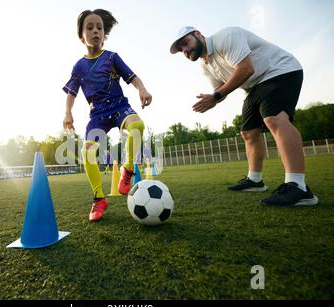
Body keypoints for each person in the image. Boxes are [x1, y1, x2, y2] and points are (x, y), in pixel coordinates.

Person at [170, 26, 318, 206]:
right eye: (181, 50)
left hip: (280, 70)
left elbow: (246, 68)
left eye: (186, 43)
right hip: (254, 86)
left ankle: (299, 187)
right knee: (248, 132)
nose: (185, 50)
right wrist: (212, 99)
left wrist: (215, 97)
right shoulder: (205, 66)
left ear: (198, 34)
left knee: (274, 119)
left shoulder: (226, 36)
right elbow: (221, 88)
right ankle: (255, 180)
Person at [63, 9, 152, 222]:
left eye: (99, 28)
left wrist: (142, 89)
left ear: (104, 34)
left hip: (119, 107)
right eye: (90, 27)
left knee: (137, 126)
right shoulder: (79, 66)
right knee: (87, 153)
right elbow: (71, 93)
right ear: (81, 35)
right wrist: (67, 113)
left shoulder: (112, 57)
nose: (95, 31)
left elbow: (133, 77)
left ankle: (127, 169)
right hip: (97, 114)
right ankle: (99, 199)